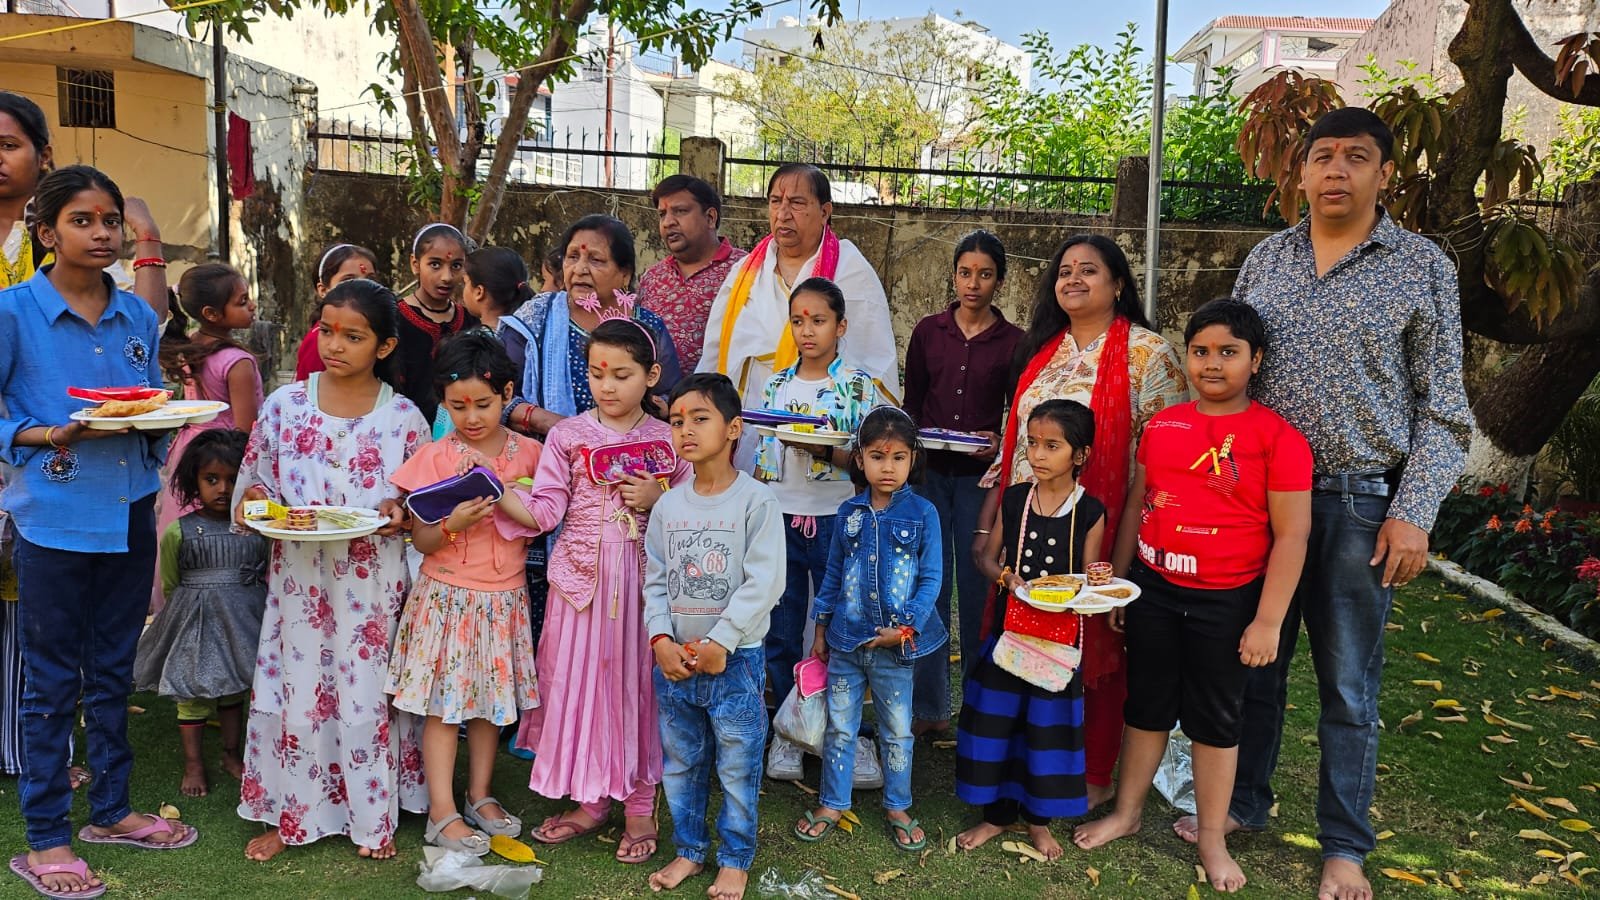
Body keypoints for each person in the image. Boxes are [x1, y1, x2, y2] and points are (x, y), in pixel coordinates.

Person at [1185, 108, 1473, 900]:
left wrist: (1414, 510)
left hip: (1358, 502)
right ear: (1303, 172)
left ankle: (1344, 846)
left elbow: (1445, 406)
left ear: (1385, 173)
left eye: (1356, 156)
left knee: (1349, 686)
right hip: (1260, 499)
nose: (1336, 170)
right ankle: (1243, 802)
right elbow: (1231, 372)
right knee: (1255, 663)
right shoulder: (1267, 259)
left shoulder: (1419, 266)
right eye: (1322, 156)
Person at [1, 165, 197, 900]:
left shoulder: (138, 318)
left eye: (111, 220)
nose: (102, 233)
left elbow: (145, 407)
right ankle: (47, 836)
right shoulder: (12, 313)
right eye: (82, 221)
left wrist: (160, 418)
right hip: (52, 521)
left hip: (129, 512)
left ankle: (111, 812)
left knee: (114, 672)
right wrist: (46, 432)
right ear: (46, 233)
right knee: (51, 683)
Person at [1072, 299, 1313, 893]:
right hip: (1154, 590)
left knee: (1215, 721)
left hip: (1227, 601)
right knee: (1146, 707)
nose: (1212, 363)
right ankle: (1127, 814)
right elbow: (1138, 503)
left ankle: (1211, 838)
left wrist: (1268, 622)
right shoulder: (1164, 426)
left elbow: (1292, 535)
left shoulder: (1278, 438)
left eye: (1228, 352)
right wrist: (1119, 585)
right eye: (1201, 351)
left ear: (1256, 360)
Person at [980, 234, 1186, 808]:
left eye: (1088, 270)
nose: (1072, 278)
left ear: (1118, 283)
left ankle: (1093, 774)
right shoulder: (1043, 351)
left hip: (1102, 525)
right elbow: (1015, 446)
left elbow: (1157, 462)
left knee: (1092, 643)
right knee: (1028, 635)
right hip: (1031, 524)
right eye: (1065, 270)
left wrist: (1117, 564)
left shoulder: (1147, 353)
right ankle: (1026, 762)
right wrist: (994, 529)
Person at [233, 278, 428, 863]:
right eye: (327, 330)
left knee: (365, 687)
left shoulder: (404, 419)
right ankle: (291, 811)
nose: (335, 345)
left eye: (353, 336)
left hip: (371, 584)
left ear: (384, 347)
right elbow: (255, 487)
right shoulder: (284, 406)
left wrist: (400, 512)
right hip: (299, 579)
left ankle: (373, 814)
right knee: (299, 684)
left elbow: (418, 506)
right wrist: (257, 505)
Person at [495, 318, 689, 865]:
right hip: (580, 585)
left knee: (637, 686)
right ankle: (590, 798)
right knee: (583, 687)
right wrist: (498, 493)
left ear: (651, 376)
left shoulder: (668, 439)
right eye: (597, 373)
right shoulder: (567, 437)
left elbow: (697, 509)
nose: (607, 386)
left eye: (622, 375)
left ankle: (640, 805)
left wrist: (660, 499)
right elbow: (546, 510)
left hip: (646, 587)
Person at [387, 331, 542, 854]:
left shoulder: (532, 455)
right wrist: (451, 524)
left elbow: (546, 516)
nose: (471, 417)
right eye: (458, 406)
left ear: (507, 394)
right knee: (443, 709)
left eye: (483, 404)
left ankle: (480, 795)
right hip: (447, 597)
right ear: (443, 403)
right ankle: (441, 811)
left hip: (504, 598)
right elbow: (422, 538)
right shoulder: (435, 457)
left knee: (489, 706)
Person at [644, 372, 784, 900]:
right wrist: (660, 639)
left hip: (736, 661)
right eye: (677, 421)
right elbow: (656, 579)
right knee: (681, 764)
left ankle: (735, 858)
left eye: (700, 418)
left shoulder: (756, 501)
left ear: (733, 428)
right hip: (676, 663)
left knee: (737, 764)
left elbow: (765, 581)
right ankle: (688, 849)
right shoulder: (668, 506)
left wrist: (722, 641)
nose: (685, 430)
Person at [957, 399, 1104, 862]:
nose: (1038, 455)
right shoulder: (1016, 498)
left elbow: (1088, 579)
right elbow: (985, 558)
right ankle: (996, 816)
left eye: (1052, 446)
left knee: (1044, 733)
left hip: (1058, 643)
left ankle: (1038, 821)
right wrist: (1007, 578)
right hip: (1010, 637)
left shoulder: (1090, 511)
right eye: (1033, 444)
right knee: (998, 725)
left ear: (1080, 454)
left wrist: (1098, 586)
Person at [754, 278, 889, 785]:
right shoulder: (776, 385)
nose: (807, 330)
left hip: (838, 519)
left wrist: (821, 449)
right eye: (798, 321)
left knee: (844, 627)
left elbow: (869, 461)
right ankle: (789, 731)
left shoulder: (857, 386)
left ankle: (849, 734)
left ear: (841, 326)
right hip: (780, 518)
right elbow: (764, 454)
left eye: (818, 320)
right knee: (781, 628)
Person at [794, 407, 945, 853]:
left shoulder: (923, 513)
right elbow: (833, 574)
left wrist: (907, 627)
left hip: (896, 648)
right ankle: (832, 802)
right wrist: (820, 630)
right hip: (845, 641)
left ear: (913, 458)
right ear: (859, 459)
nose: (888, 467)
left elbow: (932, 578)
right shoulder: (849, 512)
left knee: (896, 730)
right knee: (841, 728)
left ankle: (898, 805)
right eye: (878, 457)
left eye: (899, 457)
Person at [903, 229, 1021, 733]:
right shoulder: (928, 332)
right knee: (928, 588)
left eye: (985, 274)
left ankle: (978, 708)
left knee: (979, 590)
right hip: (928, 477)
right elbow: (912, 404)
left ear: (999, 281)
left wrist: (999, 441)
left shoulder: (1014, 342)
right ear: (953, 276)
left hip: (980, 482)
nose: (974, 283)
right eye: (965, 273)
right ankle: (929, 709)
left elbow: (1017, 414)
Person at [698, 163, 898, 418]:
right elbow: (713, 355)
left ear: (824, 212)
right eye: (775, 201)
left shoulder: (851, 270)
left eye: (796, 203)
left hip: (824, 424)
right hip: (743, 423)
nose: (782, 214)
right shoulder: (744, 273)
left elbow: (873, 362)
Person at [133, 430, 267, 799]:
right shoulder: (180, 531)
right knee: (191, 692)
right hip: (196, 624)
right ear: (195, 480)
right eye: (211, 479)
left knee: (233, 688)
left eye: (233, 479)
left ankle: (230, 752)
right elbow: (171, 581)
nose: (223, 489)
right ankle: (193, 763)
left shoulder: (257, 530)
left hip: (243, 622)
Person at [501, 215, 683, 439]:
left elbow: (671, 398)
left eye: (596, 260)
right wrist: (559, 427)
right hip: (545, 452)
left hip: (630, 451)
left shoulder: (648, 327)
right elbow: (496, 394)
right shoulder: (535, 318)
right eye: (572, 257)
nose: (579, 269)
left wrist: (653, 411)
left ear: (625, 274)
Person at [153, 263, 264, 612]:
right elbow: (244, 429)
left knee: (185, 532)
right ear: (211, 314)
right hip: (225, 458)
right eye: (242, 301)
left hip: (191, 453)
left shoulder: (191, 347)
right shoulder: (237, 361)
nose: (252, 306)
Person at [638, 174, 747, 373]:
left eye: (680, 211)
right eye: (662, 214)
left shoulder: (745, 270)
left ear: (710, 217)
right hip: (656, 392)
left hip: (725, 391)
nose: (668, 222)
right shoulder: (652, 278)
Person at [394, 223, 478, 424]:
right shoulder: (395, 319)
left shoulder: (471, 320)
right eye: (435, 264)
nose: (447, 277)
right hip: (403, 429)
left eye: (456, 266)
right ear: (415, 264)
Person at [295, 243, 380, 380]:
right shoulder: (319, 340)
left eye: (370, 281)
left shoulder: (374, 331)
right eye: (349, 281)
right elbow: (312, 389)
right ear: (323, 290)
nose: (362, 289)